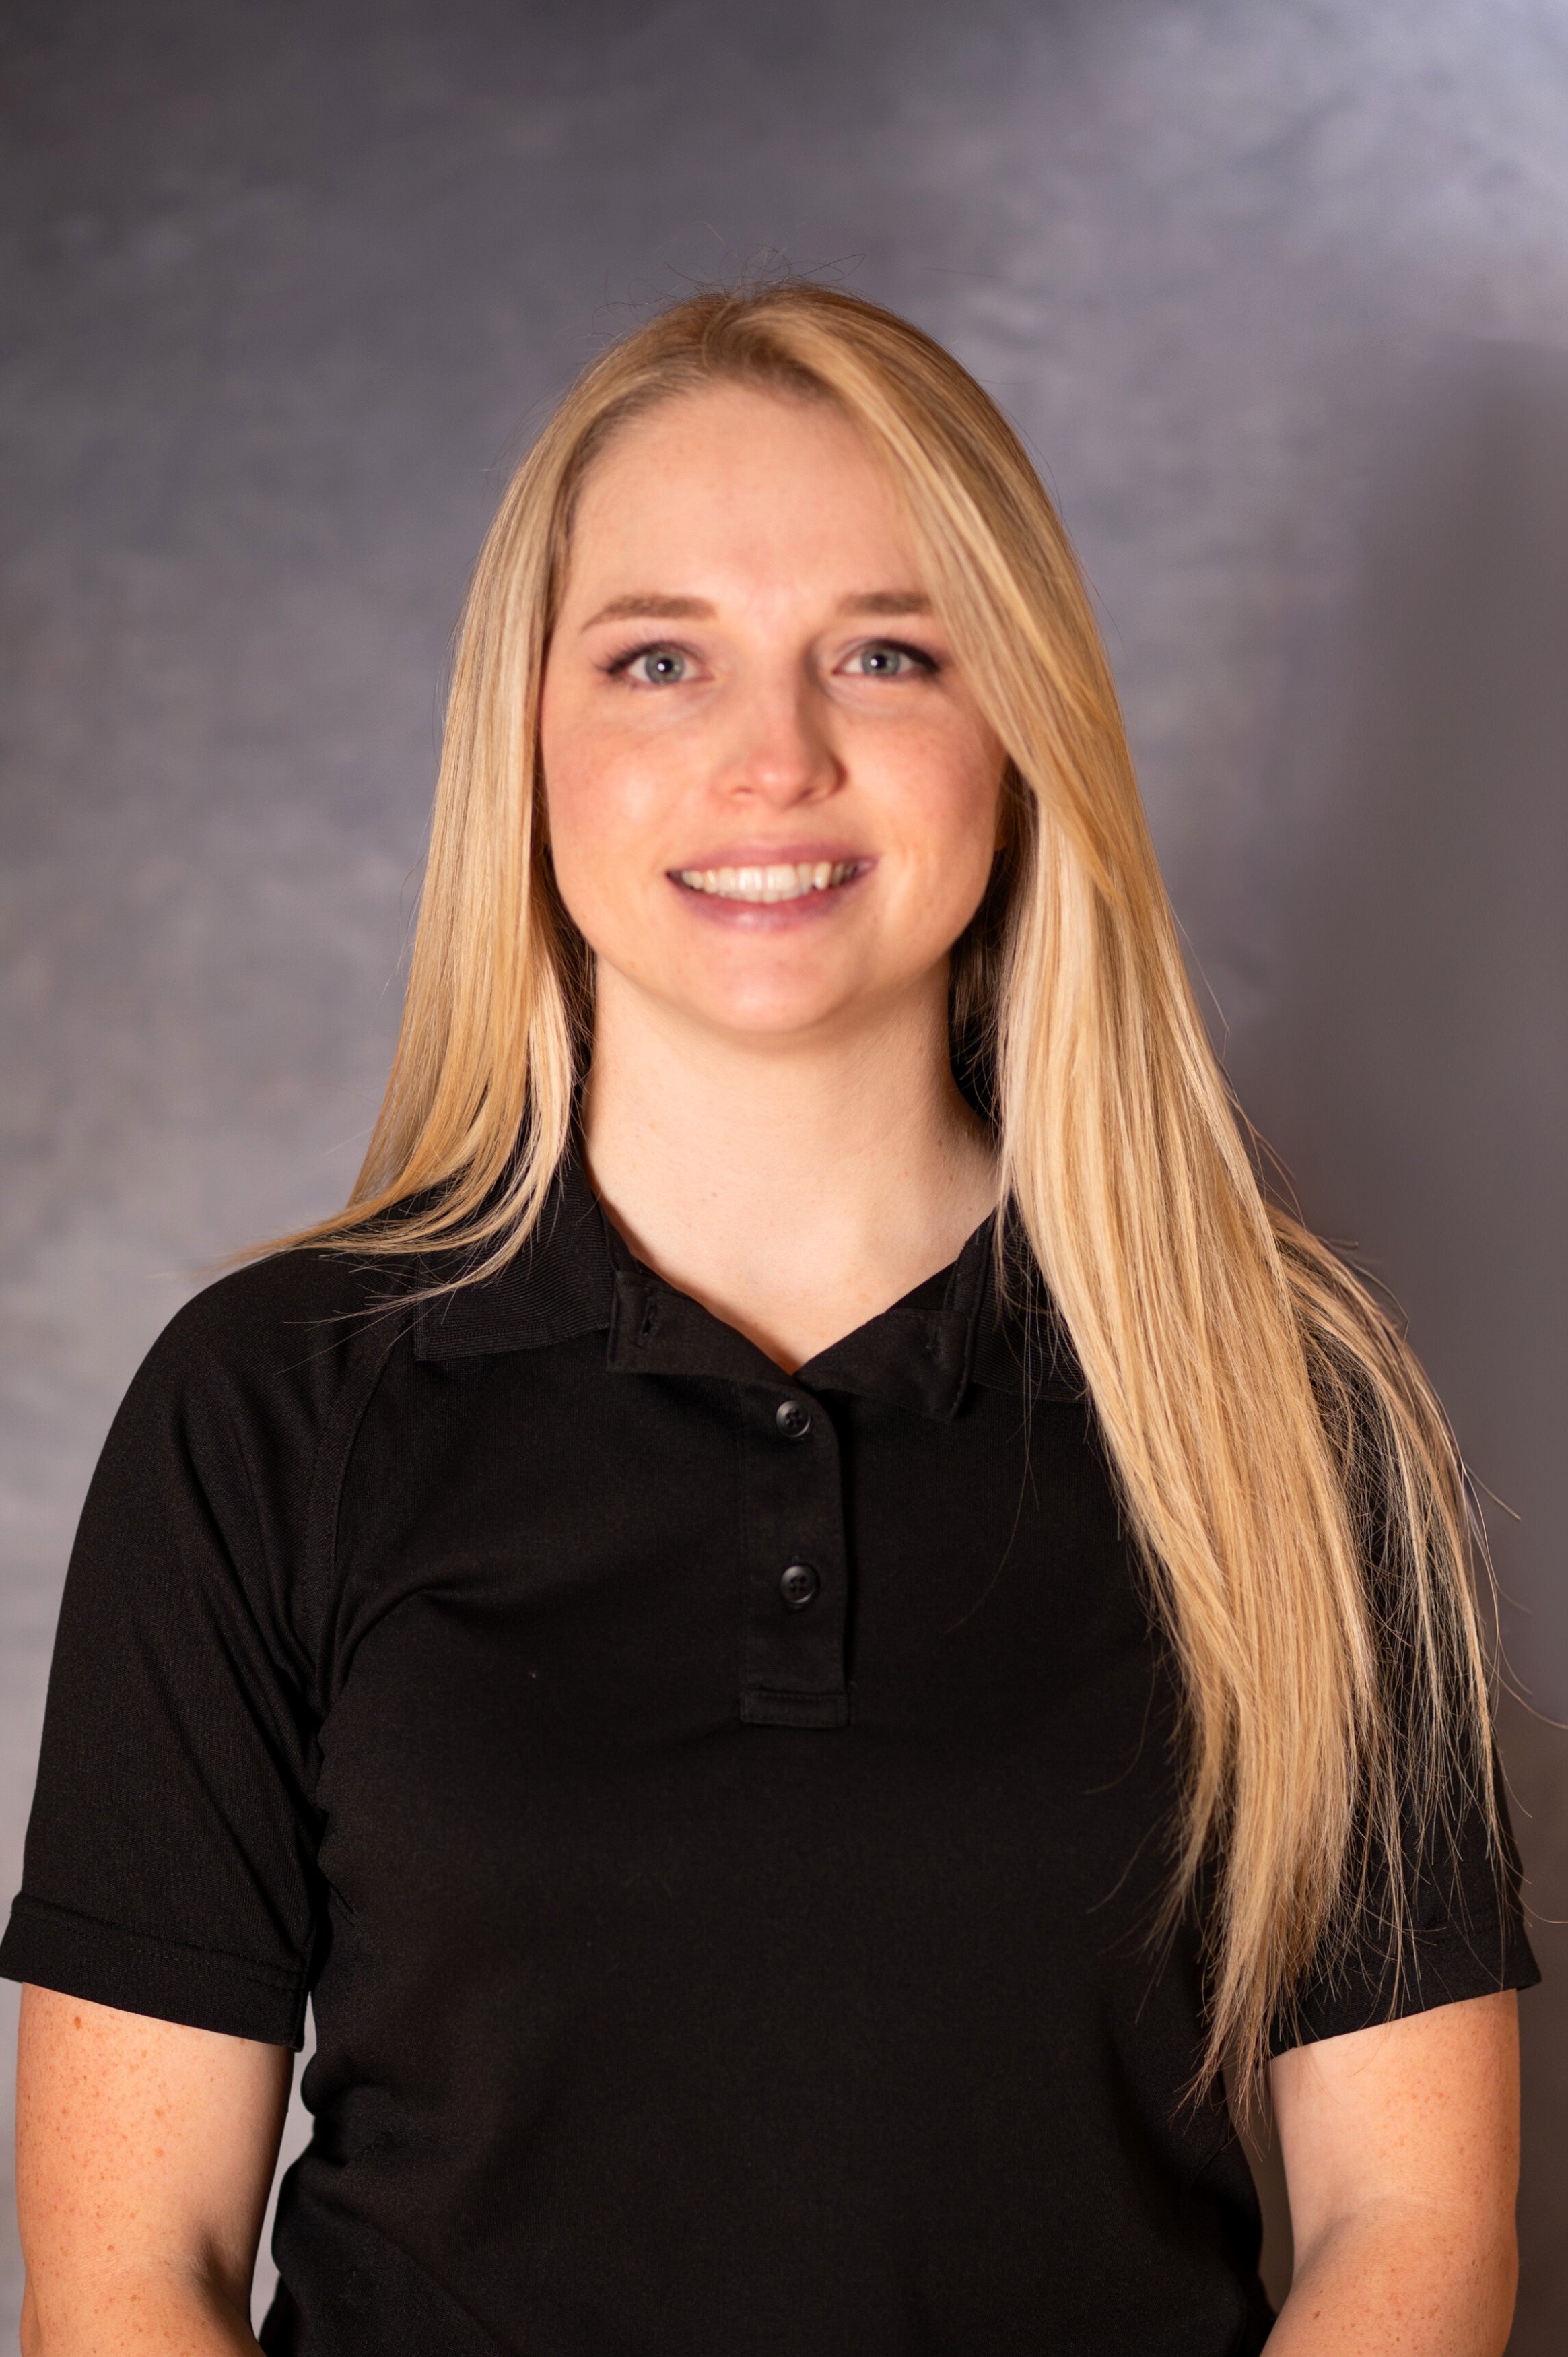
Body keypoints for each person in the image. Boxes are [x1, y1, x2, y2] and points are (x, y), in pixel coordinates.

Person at [3, 281, 1536, 2357]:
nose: (774, 757)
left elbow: (1412, 2234)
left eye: (887, 654)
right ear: (528, 743)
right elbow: (126, 2284)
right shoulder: (269, 1414)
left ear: (1019, 728)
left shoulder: (1289, 1412)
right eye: (660, 659)